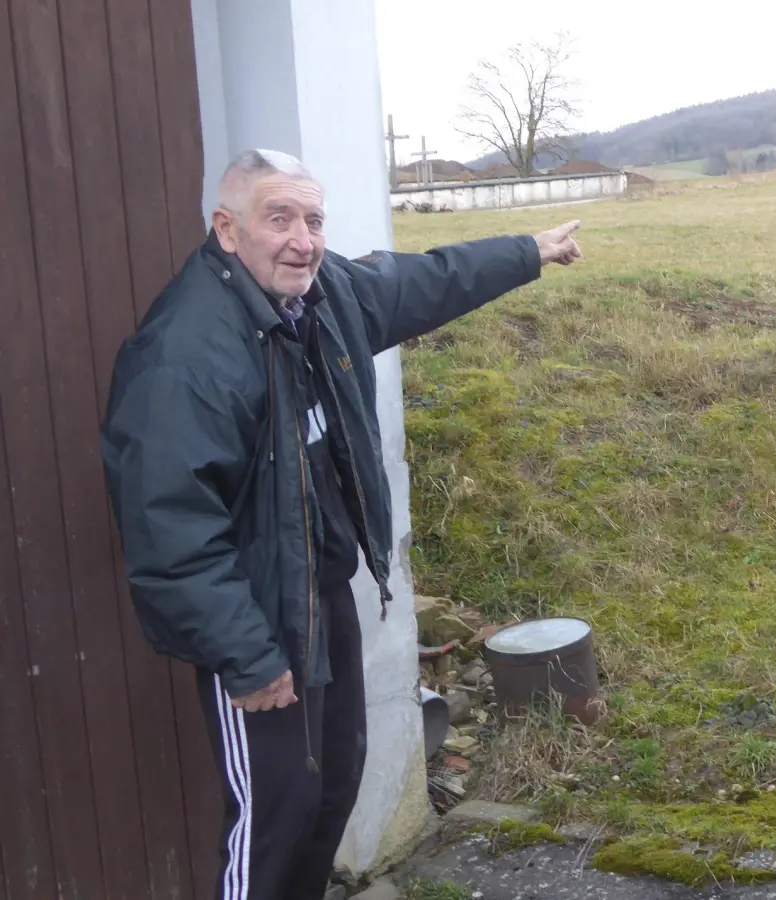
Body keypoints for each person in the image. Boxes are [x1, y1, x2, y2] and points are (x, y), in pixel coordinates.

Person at [99, 148, 583, 900]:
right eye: (279, 219)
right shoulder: (185, 358)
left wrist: (529, 252)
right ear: (227, 231)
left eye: (313, 220)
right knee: (273, 813)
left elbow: (419, 281)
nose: (303, 239)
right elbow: (171, 531)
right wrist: (247, 658)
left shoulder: (321, 297)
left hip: (320, 595)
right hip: (255, 615)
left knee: (330, 790)